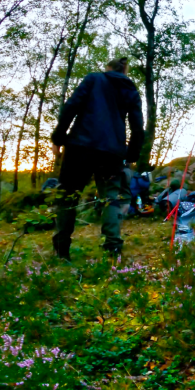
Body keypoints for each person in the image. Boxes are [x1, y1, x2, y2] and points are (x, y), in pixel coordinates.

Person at [50, 57, 144, 260]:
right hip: (111, 152)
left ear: (108, 68)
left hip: (80, 147)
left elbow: (71, 106)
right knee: (111, 198)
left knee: (68, 195)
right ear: (124, 71)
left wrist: (58, 137)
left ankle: (62, 251)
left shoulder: (94, 79)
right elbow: (137, 127)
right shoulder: (131, 90)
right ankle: (113, 248)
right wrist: (131, 155)